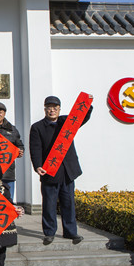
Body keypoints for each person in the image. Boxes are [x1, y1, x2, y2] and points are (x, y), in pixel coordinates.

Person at [29, 95, 93, 246]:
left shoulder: (66, 122)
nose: (52, 110)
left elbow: (82, 118)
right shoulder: (37, 127)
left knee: (68, 203)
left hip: (67, 171)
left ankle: (71, 232)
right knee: (49, 204)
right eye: (49, 108)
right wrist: (38, 165)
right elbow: (35, 148)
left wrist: (87, 105)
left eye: (55, 108)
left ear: (59, 109)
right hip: (49, 171)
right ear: (45, 109)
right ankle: (49, 233)